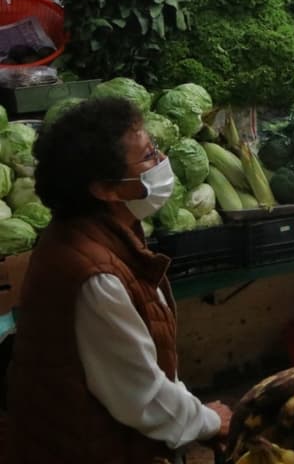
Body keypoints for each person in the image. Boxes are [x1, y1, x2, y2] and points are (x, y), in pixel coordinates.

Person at [9, 98, 231, 464]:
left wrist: (192, 412)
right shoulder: (93, 276)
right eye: (148, 157)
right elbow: (140, 395)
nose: (162, 162)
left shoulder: (99, 234)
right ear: (105, 189)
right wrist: (208, 422)